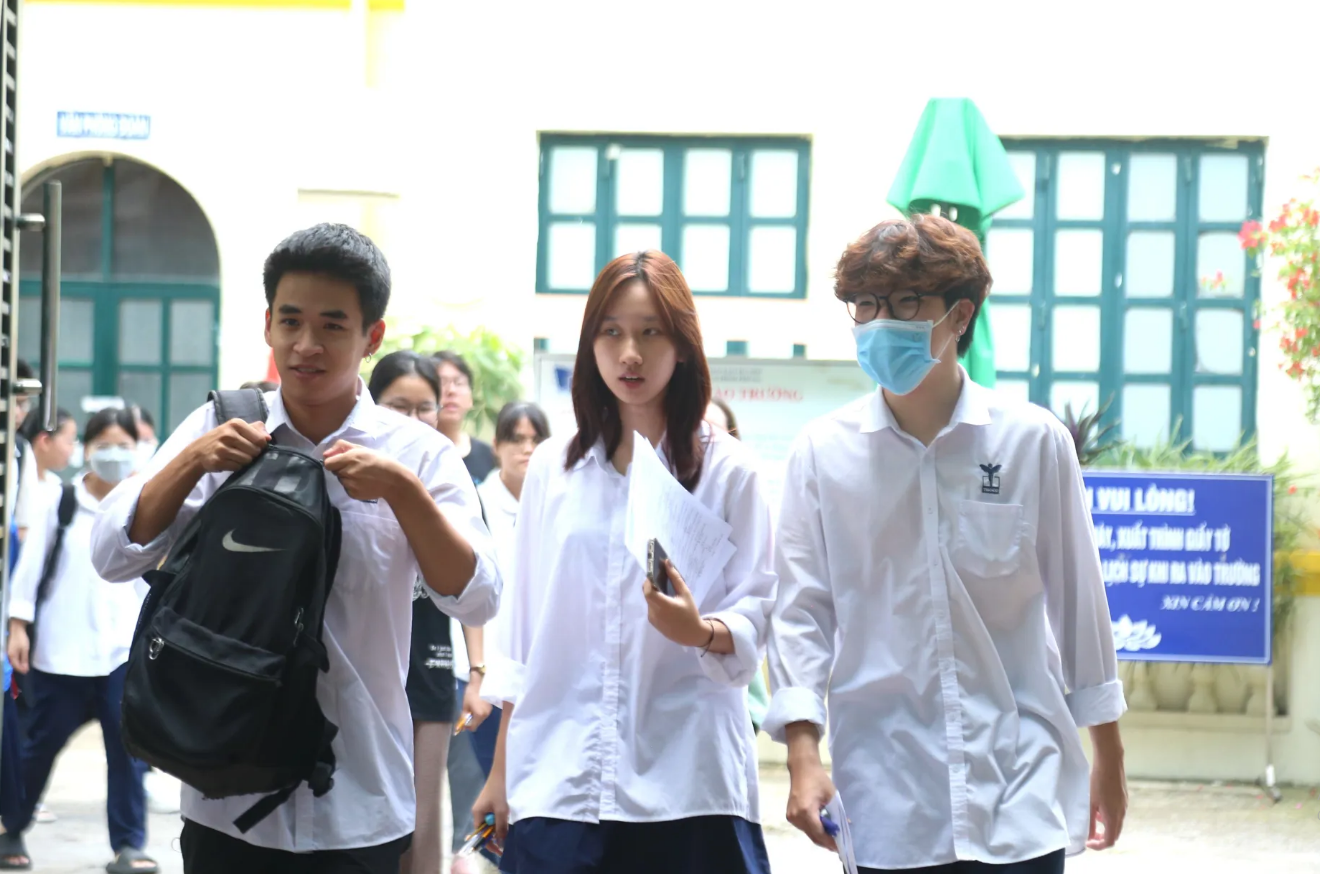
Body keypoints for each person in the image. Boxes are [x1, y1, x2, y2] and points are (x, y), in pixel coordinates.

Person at [88, 223, 502, 874]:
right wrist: (194, 461)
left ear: (372, 337)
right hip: (224, 791)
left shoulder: (419, 454)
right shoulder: (221, 425)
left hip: (360, 802)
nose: (307, 345)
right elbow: (114, 555)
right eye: (291, 321)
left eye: (333, 325)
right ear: (268, 325)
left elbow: (477, 596)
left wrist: (404, 493)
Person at [764, 214, 1128, 874]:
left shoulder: (1032, 442)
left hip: (1018, 780)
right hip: (885, 792)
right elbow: (799, 615)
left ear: (960, 315)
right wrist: (802, 754)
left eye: (906, 303)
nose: (880, 323)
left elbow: (1079, 603)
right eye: (865, 305)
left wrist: (1109, 754)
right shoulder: (820, 455)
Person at [474, 250, 777, 874]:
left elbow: (758, 608)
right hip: (562, 776)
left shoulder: (730, 472)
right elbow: (524, 631)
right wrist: (501, 772)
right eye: (611, 332)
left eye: (650, 333)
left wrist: (700, 630)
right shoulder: (553, 468)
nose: (629, 354)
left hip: (689, 780)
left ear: (683, 345)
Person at [3, 407, 155, 874]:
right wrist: (18, 626)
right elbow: (30, 568)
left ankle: (128, 845)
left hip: (120, 653)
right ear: (86, 449)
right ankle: (12, 827)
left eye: (124, 446)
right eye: (104, 445)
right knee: (38, 749)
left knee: (128, 753)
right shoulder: (61, 501)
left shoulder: (145, 502)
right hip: (61, 653)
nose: (114, 455)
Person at [365, 350, 457, 874]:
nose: (415, 421)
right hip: (364, 669)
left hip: (431, 663)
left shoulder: (448, 480)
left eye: (425, 408)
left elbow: (476, 588)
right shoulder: (349, 474)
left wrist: (478, 671)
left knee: (422, 823)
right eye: (399, 407)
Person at [430, 349, 500, 873]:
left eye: (458, 381)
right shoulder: (409, 458)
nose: (449, 391)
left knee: (470, 776)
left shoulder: (487, 468)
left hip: (468, 647)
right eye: (440, 382)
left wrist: (479, 668)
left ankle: (466, 858)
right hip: (422, 646)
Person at [703, 399, 768, 736]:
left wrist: (699, 632)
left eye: (717, 435)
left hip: (727, 715)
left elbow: (755, 618)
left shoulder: (745, 504)